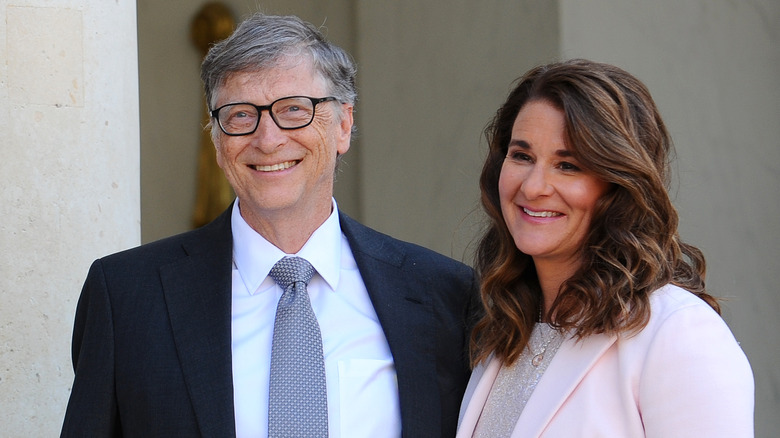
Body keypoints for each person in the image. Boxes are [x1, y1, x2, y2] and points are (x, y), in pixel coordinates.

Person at [61, 13, 477, 438]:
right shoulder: (127, 296)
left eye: (294, 109)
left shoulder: (443, 296)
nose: (268, 138)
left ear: (344, 124)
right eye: (240, 115)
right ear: (218, 140)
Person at [456, 59, 754, 437]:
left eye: (568, 165)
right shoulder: (505, 329)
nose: (533, 187)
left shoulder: (678, 334)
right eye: (522, 156)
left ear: (619, 184)